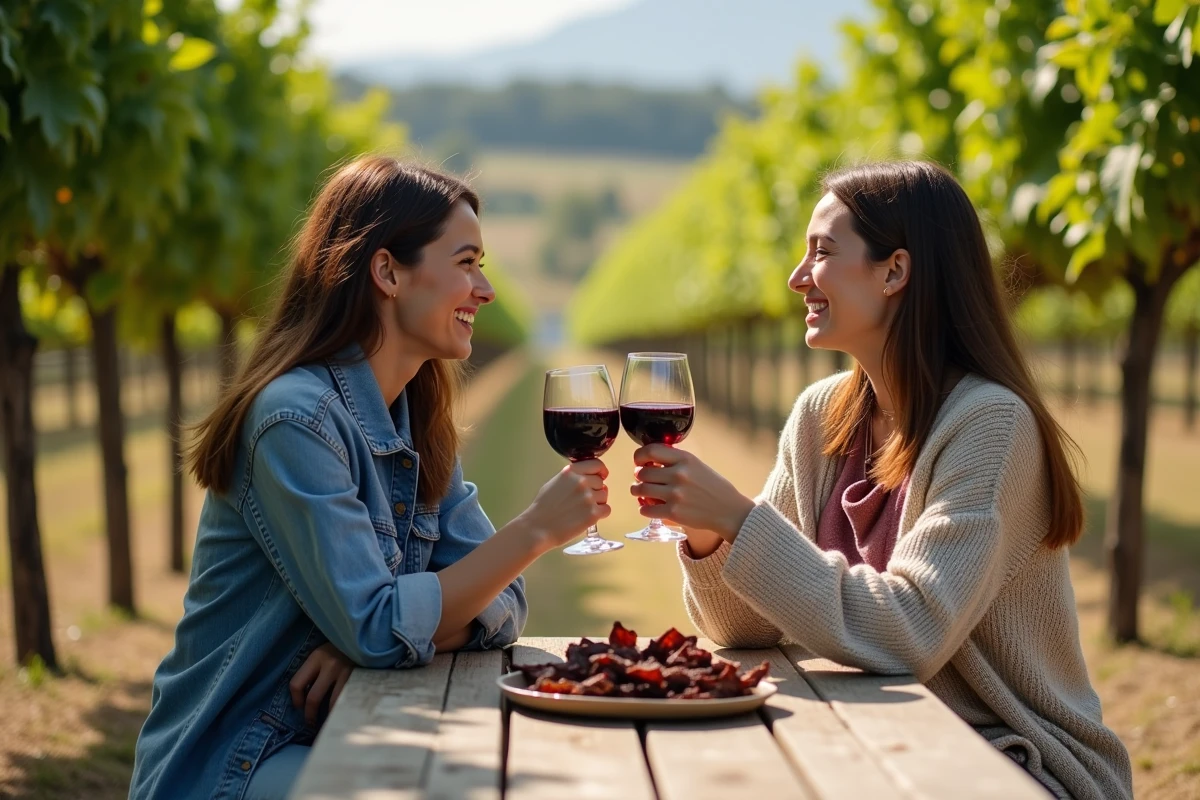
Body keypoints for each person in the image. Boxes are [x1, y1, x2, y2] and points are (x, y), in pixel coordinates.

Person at [629, 161, 1133, 800]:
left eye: (822, 253)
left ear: (895, 271)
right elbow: (742, 628)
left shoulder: (990, 424)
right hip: (882, 747)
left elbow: (910, 635)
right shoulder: (821, 415)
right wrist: (707, 533)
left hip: (1014, 759)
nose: (796, 278)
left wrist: (738, 517)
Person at [130, 156, 612, 800]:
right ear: (387, 271)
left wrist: (377, 636)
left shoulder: (413, 417)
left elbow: (505, 604)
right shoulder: (294, 422)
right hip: (234, 764)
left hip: (334, 734)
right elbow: (386, 627)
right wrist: (533, 531)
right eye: (466, 263)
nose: (485, 289)